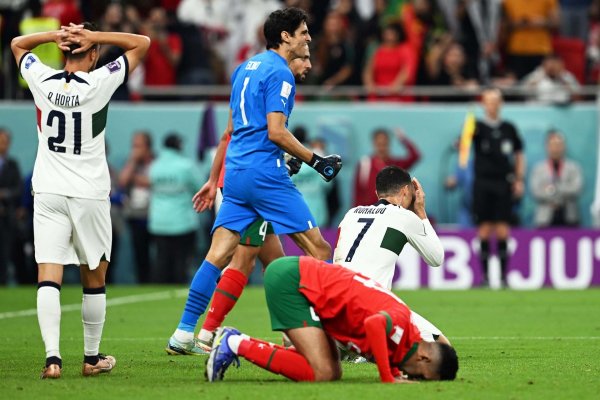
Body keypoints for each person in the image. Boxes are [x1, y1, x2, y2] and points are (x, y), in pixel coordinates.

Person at [166, 7, 342, 355]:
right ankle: (317, 333)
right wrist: (315, 161)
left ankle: (184, 333)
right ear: (285, 37)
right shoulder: (281, 74)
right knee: (319, 249)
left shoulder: (243, 69)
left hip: (237, 172)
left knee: (218, 254)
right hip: (264, 174)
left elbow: (233, 131)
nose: (308, 38)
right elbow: (276, 132)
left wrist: (214, 177)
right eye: (303, 32)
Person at [11, 21, 150, 378]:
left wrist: (54, 36)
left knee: (48, 274)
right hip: (89, 191)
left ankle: (52, 359)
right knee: (94, 275)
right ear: (93, 54)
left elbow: (17, 45)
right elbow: (141, 43)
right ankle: (90, 359)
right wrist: (97, 37)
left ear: (62, 52)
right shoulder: (100, 80)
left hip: (48, 189)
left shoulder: (42, 79)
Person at [205, 256, 459, 383]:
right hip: (294, 283)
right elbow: (374, 324)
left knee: (332, 370)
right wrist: (387, 377)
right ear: (424, 358)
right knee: (323, 370)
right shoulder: (402, 324)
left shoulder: (408, 339)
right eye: (422, 377)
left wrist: (393, 370)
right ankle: (234, 343)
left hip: (310, 288)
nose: (415, 379)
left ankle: (238, 341)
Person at [334, 166, 448, 345]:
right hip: (372, 307)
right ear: (405, 191)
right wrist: (421, 212)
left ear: (376, 192)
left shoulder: (351, 214)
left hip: (334, 305)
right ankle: (365, 345)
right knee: (442, 346)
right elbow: (436, 258)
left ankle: (344, 343)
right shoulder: (404, 217)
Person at [471, 88, 525, 287]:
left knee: (503, 229)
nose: (492, 105)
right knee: (484, 229)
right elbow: (463, 146)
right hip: (483, 182)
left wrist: (519, 179)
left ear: (500, 103)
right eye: (488, 101)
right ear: (484, 104)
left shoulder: (509, 128)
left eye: (496, 101)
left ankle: (503, 277)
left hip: (504, 182)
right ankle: (485, 277)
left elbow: (519, 154)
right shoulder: (476, 127)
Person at [149, 133, 198, 283]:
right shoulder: (186, 165)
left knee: (162, 259)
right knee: (181, 260)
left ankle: (159, 291)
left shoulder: (155, 165)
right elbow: (200, 186)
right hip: (182, 221)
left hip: (159, 221)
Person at [119, 131, 154, 284]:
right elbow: (123, 180)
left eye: (139, 146)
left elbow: (153, 181)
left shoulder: (156, 162)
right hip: (135, 216)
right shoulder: (132, 163)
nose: (136, 149)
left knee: (157, 254)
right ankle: (143, 282)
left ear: (147, 147)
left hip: (154, 215)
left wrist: (138, 179)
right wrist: (133, 161)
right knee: (140, 254)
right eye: (134, 146)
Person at [353, 128, 420, 207]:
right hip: (370, 214)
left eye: (384, 144)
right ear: (373, 144)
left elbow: (415, 156)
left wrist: (403, 139)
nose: (381, 148)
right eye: (379, 144)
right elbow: (358, 192)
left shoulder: (396, 165)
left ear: (389, 144)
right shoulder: (365, 164)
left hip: (391, 214)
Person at [530, 130, 583, 227]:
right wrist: (558, 193)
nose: (556, 148)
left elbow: (576, 189)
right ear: (547, 147)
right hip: (545, 218)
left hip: (569, 216)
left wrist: (554, 190)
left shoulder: (574, 167)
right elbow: (536, 191)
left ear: (564, 146)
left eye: (558, 145)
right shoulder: (538, 169)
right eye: (553, 145)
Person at [502, 0, 560, 79]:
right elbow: (503, 25)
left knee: (541, 85)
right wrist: (517, 23)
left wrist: (543, 22)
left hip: (541, 50)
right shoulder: (508, 1)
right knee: (516, 86)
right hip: (516, 50)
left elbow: (556, 22)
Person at [0, 128, 22, 285]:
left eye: (5, 142)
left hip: (6, 217)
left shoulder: (13, 165)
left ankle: (3, 282)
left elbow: (18, 189)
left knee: (4, 253)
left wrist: (5, 194)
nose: (3, 145)